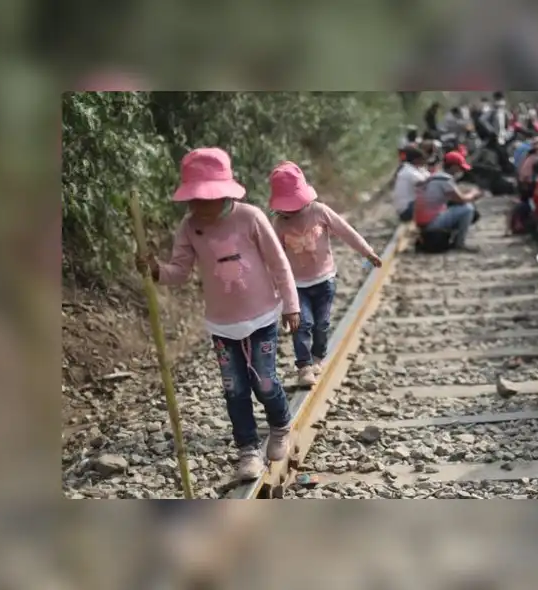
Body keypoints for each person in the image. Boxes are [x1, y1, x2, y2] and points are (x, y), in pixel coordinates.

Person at [136, 147, 299, 480]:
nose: (199, 206)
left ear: (224, 191)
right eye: (194, 199)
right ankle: (248, 450)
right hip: (223, 325)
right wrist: (155, 271)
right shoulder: (189, 227)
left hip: (262, 316)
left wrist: (292, 304)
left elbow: (278, 262)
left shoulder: (251, 217)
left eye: (206, 198)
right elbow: (179, 272)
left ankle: (281, 426)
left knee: (265, 382)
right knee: (234, 389)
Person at [270, 162, 382, 387]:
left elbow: (345, 231)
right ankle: (304, 367)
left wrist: (367, 252)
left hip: (324, 280)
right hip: (296, 285)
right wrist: (275, 288)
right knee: (302, 324)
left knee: (322, 323)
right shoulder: (279, 224)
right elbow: (273, 257)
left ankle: (317, 358)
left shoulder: (319, 211)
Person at [413, 151, 483, 252]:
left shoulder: (435, 176)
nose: (460, 171)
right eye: (459, 168)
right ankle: (460, 243)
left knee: (457, 208)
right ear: (454, 167)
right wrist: (473, 193)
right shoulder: (444, 180)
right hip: (432, 224)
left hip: (423, 223)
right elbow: (462, 200)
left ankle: (451, 238)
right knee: (468, 209)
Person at [392, 147, 429, 222]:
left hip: (404, 209)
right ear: (416, 160)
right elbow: (427, 183)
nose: (423, 162)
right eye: (422, 160)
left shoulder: (407, 169)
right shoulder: (410, 172)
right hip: (407, 210)